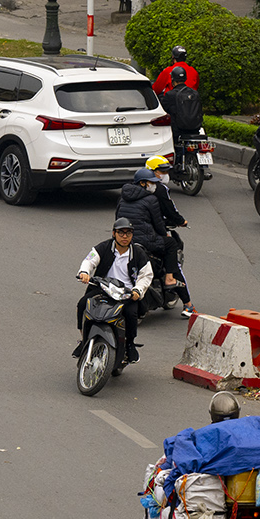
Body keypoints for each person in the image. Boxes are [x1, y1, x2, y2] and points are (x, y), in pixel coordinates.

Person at [77, 216, 151, 363]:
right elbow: (89, 260)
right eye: (121, 233)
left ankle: (130, 344)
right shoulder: (103, 247)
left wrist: (137, 290)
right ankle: (84, 339)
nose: (124, 236)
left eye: (128, 233)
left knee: (131, 313)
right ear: (114, 233)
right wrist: (84, 272)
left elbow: (146, 275)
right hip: (104, 288)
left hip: (127, 293)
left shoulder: (138, 253)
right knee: (82, 305)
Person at [144, 155, 195, 318]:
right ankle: (187, 304)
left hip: (130, 234)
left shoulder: (132, 189)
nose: (164, 174)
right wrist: (181, 221)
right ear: (151, 172)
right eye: (161, 171)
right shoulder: (159, 190)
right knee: (172, 258)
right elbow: (170, 211)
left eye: (166, 171)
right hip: (153, 235)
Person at [116, 169, 169, 285]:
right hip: (145, 240)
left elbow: (117, 219)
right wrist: (165, 233)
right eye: (151, 182)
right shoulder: (151, 199)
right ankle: (170, 278)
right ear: (142, 183)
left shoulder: (122, 198)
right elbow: (158, 223)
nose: (154, 185)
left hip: (125, 239)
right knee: (171, 243)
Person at [161, 66, 203, 142]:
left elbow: (163, 110)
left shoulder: (170, 95)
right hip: (195, 130)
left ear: (173, 80)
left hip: (178, 132)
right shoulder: (194, 93)